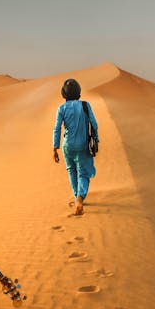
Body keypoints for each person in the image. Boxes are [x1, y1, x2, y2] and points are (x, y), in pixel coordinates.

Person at [52, 78, 99, 215]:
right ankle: (80, 198)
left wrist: (55, 148)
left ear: (64, 94)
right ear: (78, 92)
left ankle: (76, 196)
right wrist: (96, 139)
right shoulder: (85, 105)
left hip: (67, 146)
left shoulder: (61, 108)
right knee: (83, 173)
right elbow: (94, 124)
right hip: (83, 145)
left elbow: (57, 129)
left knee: (71, 170)